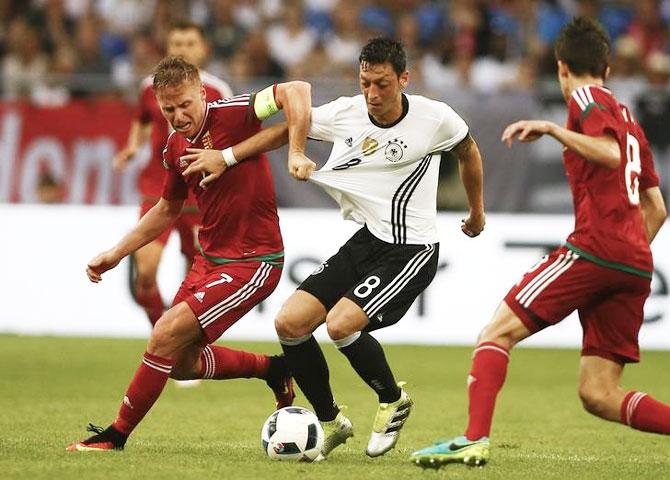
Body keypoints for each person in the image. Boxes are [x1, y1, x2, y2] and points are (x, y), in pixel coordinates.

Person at [410, 17, 668, 469]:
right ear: (607, 67)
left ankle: (474, 438)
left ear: (562, 67)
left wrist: (553, 129)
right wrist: (626, 258)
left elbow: (607, 153)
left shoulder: (587, 98)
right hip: (635, 262)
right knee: (599, 393)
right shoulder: (630, 120)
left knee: (497, 332)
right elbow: (657, 209)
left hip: (596, 247)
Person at [67, 56, 315, 452]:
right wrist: (116, 253)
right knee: (180, 362)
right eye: (169, 109)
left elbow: (297, 91)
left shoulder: (235, 113)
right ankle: (274, 369)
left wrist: (282, 153)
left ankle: (115, 436)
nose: (179, 116)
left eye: (185, 104)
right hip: (210, 260)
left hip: (253, 261)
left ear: (202, 92)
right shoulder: (173, 146)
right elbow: (166, 209)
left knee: (163, 334)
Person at [274, 37, 485, 459]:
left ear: (404, 79)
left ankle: (393, 400)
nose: (372, 94)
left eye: (383, 84)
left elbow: (469, 152)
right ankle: (333, 422)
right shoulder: (349, 113)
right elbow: (295, 114)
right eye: (365, 81)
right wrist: (289, 152)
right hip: (368, 240)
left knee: (340, 325)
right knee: (289, 323)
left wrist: (477, 211)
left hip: (413, 249)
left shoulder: (434, 118)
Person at [114, 20, 233, 326]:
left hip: (199, 193)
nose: (183, 49)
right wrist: (131, 146)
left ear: (203, 49)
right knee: (145, 273)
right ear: (168, 48)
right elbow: (141, 121)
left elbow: (228, 142)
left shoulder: (218, 90)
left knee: (193, 279)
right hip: (158, 189)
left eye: (190, 43)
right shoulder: (149, 87)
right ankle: (161, 332)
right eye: (177, 44)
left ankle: (180, 344)